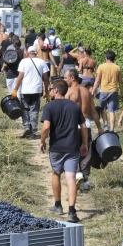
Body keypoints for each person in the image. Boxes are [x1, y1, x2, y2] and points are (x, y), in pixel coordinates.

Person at [40, 79, 88, 223]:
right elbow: (84, 126)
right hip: (72, 147)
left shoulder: (49, 107)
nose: (49, 92)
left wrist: (42, 141)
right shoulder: (74, 106)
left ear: (55, 90)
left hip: (57, 147)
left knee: (56, 173)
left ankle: (58, 205)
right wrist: (84, 143)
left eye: (50, 89)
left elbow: (46, 127)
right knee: (71, 178)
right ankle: (72, 211)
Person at [64, 69, 104, 191]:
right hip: (87, 124)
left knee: (72, 151)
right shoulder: (87, 92)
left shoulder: (69, 92)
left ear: (72, 78)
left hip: (73, 125)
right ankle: (85, 182)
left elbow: (64, 111)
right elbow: (94, 112)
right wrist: (99, 127)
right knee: (86, 153)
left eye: (66, 77)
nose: (64, 80)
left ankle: (76, 175)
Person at [12, 46, 50, 138]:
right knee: (34, 110)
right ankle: (33, 130)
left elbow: (20, 77)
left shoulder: (23, 62)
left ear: (27, 53)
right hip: (37, 90)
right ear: (36, 53)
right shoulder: (42, 62)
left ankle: (26, 126)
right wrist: (46, 91)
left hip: (25, 90)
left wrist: (15, 90)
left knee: (25, 109)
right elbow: (45, 78)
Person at [91, 51, 123, 131]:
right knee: (112, 111)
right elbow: (120, 82)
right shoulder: (117, 67)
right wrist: (122, 93)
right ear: (114, 58)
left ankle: (105, 125)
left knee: (103, 109)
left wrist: (93, 91)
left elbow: (97, 80)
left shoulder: (101, 67)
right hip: (114, 91)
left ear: (106, 58)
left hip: (104, 91)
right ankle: (112, 129)